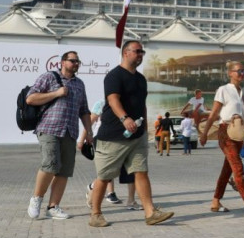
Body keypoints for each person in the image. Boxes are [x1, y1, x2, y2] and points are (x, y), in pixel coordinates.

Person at [88, 40, 173, 227]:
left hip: (137, 136)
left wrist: (145, 129)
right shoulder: (114, 76)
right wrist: (124, 118)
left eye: (142, 52)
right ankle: (95, 214)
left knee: (141, 172)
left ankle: (150, 213)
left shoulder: (141, 79)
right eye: (137, 51)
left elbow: (141, 104)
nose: (141, 54)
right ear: (126, 53)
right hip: (113, 135)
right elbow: (112, 100)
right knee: (105, 176)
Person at [26, 51, 92, 220]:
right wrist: (56, 93)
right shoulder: (49, 77)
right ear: (62, 62)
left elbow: (84, 110)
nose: (76, 63)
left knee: (64, 171)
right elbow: (31, 98)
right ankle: (37, 198)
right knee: (50, 164)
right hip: (49, 128)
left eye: (78, 61)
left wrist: (89, 133)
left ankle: (53, 207)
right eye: (73, 61)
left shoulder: (80, 84)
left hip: (70, 131)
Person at [199, 61, 244, 214]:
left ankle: (215, 202)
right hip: (226, 132)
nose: (242, 74)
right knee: (237, 167)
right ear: (230, 73)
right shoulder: (223, 90)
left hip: (239, 134)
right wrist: (204, 133)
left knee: (227, 170)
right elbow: (213, 114)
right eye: (239, 71)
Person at [80, 100, 141, 210]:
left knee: (132, 169)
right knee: (109, 171)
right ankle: (93, 187)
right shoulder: (101, 104)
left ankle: (131, 201)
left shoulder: (129, 104)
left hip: (125, 139)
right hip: (104, 140)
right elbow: (90, 121)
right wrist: (81, 140)